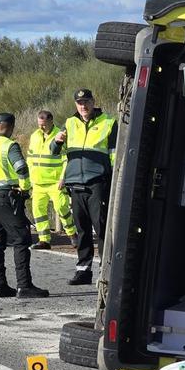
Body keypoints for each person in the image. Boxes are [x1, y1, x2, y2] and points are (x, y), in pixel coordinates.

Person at [0, 113, 48, 299]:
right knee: (21, 239)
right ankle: (24, 285)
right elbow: (21, 167)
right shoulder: (9, 145)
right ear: (11, 127)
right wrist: (24, 188)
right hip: (8, 197)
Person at [51, 88, 117, 286]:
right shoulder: (70, 123)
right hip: (75, 184)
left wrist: (113, 180)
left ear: (93, 101)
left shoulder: (108, 122)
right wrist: (56, 142)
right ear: (75, 105)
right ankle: (83, 271)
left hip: (97, 182)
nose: (83, 106)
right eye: (80, 103)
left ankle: (107, 270)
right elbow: (55, 151)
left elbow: (114, 154)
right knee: (82, 230)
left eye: (86, 102)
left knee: (102, 228)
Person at [26, 109, 78, 250]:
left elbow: (66, 158)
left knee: (62, 208)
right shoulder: (34, 136)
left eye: (43, 124)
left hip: (55, 181)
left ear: (51, 121)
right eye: (39, 124)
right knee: (38, 211)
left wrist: (63, 177)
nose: (41, 127)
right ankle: (44, 240)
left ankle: (72, 234)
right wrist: (30, 178)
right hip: (38, 182)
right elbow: (30, 158)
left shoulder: (59, 135)